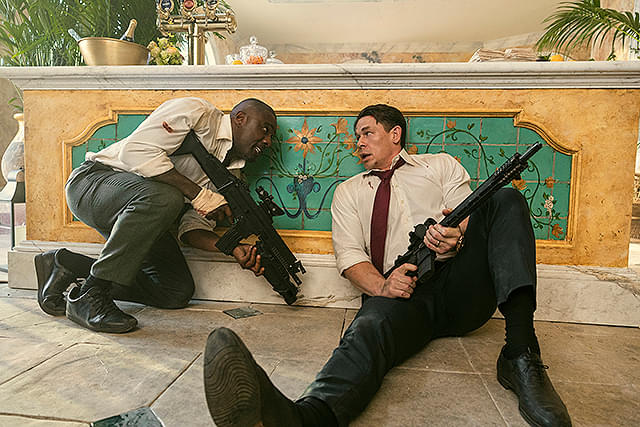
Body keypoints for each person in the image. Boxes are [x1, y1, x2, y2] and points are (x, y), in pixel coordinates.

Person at [202, 104, 572, 427]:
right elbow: (350, 257)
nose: (358, 143)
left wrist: (455, 235)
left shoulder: (440, 166)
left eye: (367, 133)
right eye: (356, 137)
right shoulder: (348, 192)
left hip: (462, 285)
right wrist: (383, 286)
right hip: (402, 294)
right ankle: (306, 417)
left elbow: (469, 215)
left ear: (395, 134)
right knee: (366, 330)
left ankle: (520, 353)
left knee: (505, 198)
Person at [34, 97, 275, 333]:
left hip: (144, 217)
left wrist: (232, 247)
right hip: (93, 183)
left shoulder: (231, 176)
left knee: (174, 291)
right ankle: (91, 295)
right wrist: (198, 194)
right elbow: (135, 151)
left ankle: (66, 265)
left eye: (271, 136)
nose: (268, 141)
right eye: (265, 130)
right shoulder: (199, 113)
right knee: (167, 197)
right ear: (240, 118)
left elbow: (191, 228)